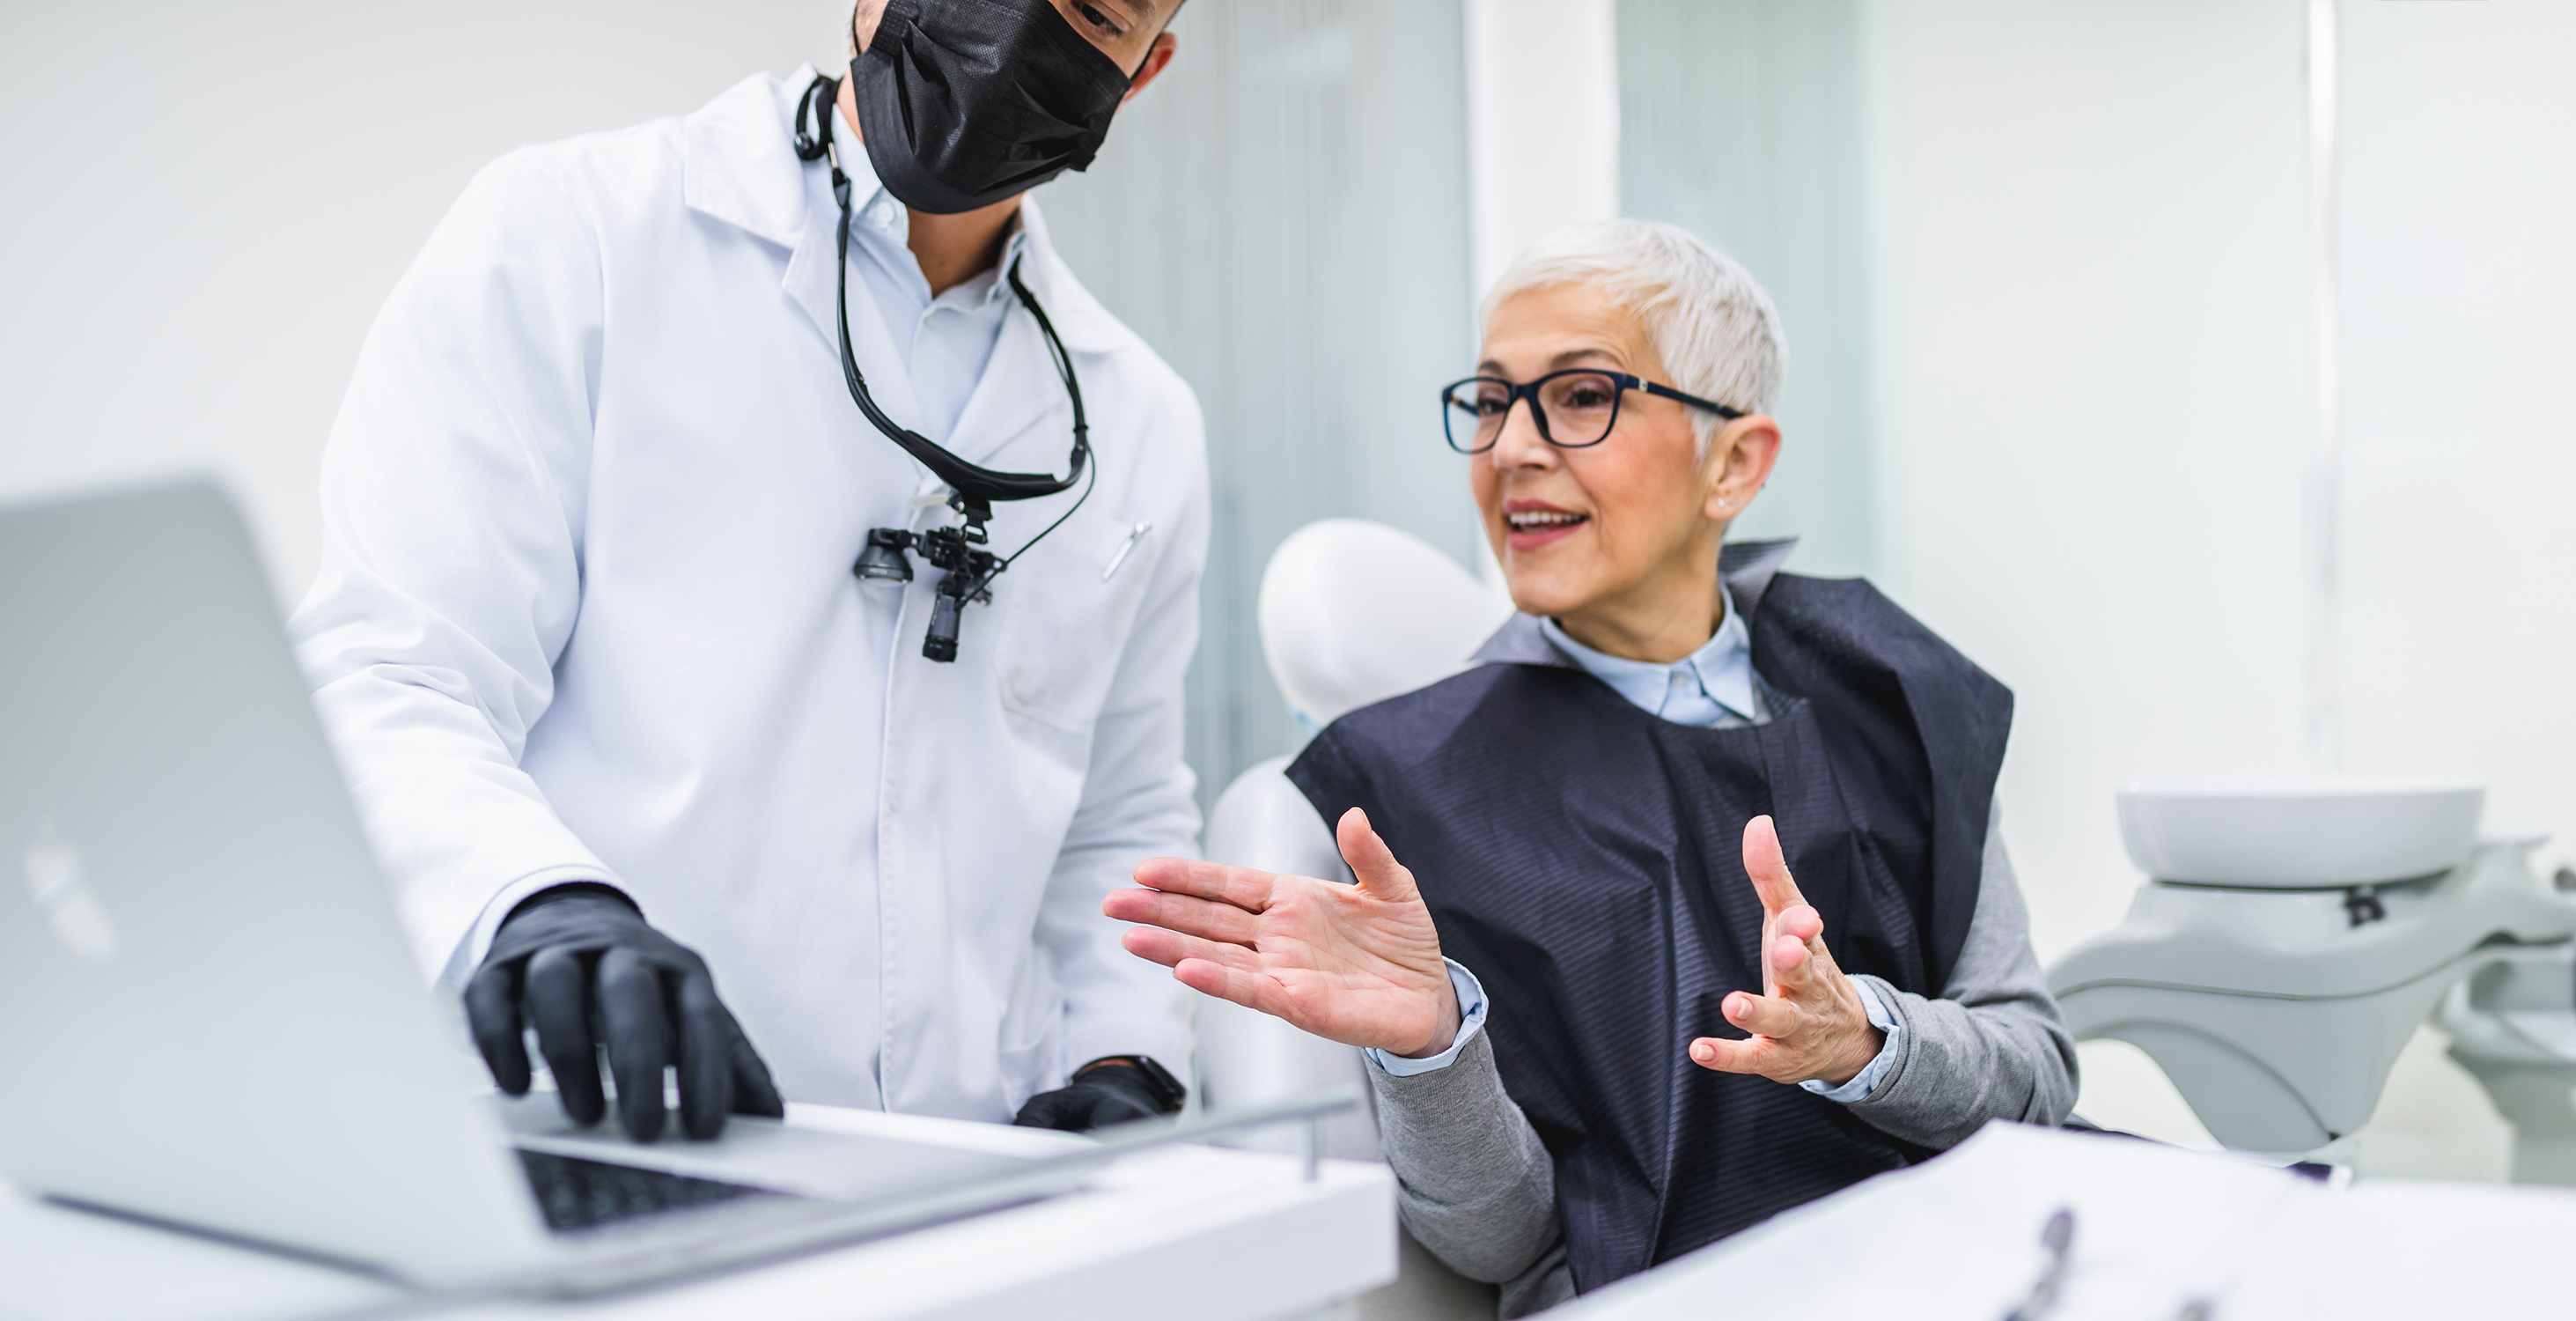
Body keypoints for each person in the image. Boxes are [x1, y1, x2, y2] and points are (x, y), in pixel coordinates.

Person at [1108, 220, 2079, 1311]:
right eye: (1488, 402)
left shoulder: (1891, 700)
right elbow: (1503, 1246)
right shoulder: (1408, 797)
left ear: (1734, 464)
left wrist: (1863, 1040)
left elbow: (2036, 1075)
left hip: (1983, 1271)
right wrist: (1434, 1053)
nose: (1513, 446)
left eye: (1580, 398)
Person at [290, 0, 1207, 1144]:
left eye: (1087, 11)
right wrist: (541, 905)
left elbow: (1119, 820)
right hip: (615, 1130)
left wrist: (1126, 1056)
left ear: (1145, 68)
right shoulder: (572, 240)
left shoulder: (1139, 421)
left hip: (972, 1177)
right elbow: (393, 675)